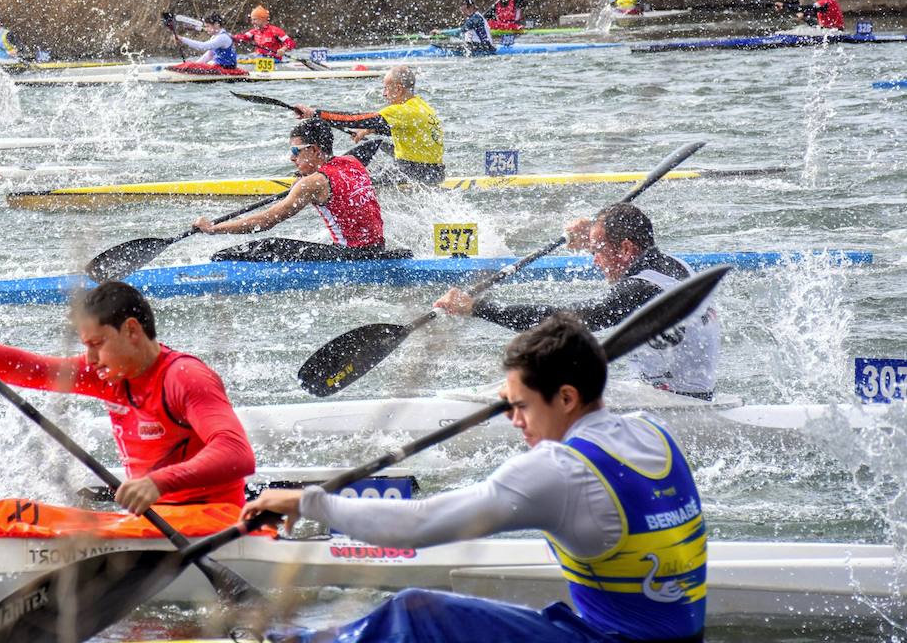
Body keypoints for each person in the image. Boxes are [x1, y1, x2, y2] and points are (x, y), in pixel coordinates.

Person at [245, 312, 707, 643]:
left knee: (416, 613)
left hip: (608, 642)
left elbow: (418, 526)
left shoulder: (560, 470)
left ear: (567, 397)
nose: (514, 421)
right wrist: (518, 391)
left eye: (520, 407)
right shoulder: (653, 433)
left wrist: (308, 502)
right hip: (673, 639)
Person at [0, 280, 255, 514]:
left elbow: (237, 453)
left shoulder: (184, 376)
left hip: (211, 522)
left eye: (96, 344)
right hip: (156, 522)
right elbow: (29, 368)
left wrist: (157, 482)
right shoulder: (108, 374)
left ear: (132, 330)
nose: (89, 360)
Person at [434, 203, 721, 399]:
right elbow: (623, 235)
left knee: (540, 384)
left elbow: (565, 321)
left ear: (626, 248)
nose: (595, 260)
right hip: (682, 392)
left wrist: (477, 307)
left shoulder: (641, 288)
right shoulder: (670, 264)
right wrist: (594, 233)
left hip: (673, 402)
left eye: (598, 249)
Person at [193, 118, 409, 262]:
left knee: (267, 246)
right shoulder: (352, 162)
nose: (291, 157)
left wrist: (215, 228)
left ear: (314, 150)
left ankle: (216, 267)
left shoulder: (313, 184)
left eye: (295, 151)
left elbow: (267, 221)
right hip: (377, 250)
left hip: (350, 257)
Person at [293, 65, 445, 186]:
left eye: (386, 88)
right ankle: (332, 170)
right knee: (376, 145)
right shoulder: (421, 106)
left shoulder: (401, 111)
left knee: (357, 178)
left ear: (398, 88)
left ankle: (328, 176)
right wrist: (368, 130)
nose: (384, 94)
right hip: (434, 171)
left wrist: (316, 114)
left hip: (416, 173)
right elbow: (404, 131)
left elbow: (354, 119)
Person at [167, 12, 240, 71]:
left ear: (217, 25)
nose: (206, 29)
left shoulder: (222, 38)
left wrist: (182, 39)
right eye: (205, 26)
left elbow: (203, 46)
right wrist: (193, 66)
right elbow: (209, 55)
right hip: (221, 67)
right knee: (190, 64)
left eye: (208, 26)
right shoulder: (215, 36)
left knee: (189, 65)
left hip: (226, 68)